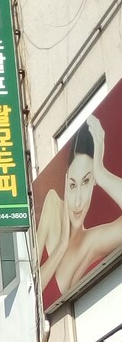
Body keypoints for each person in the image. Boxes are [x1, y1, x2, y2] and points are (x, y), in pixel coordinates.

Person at [37, 115, 122, 306]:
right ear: (66, 181)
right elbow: (32, 290)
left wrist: (101, 173)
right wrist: (62, 246)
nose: (77, 202)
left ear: (94, 182)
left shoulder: (92, 242)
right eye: (73, 185)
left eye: (86, 182)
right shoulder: (51, 203)